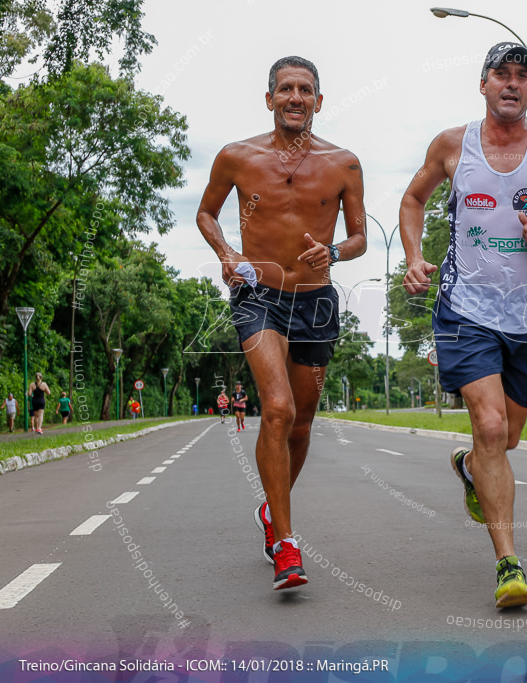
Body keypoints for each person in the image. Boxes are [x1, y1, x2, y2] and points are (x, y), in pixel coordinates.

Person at [399, 43, 527, 608]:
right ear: (483, 84)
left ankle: (469, 467)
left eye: (521, 76)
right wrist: (414, 257)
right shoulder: (451, 144)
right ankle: (508, 565)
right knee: (490, 429)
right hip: (466, 308)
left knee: (506, 438)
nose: (511, 84)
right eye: (500, 74)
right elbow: (413, 199)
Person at [197, 56, 366, 591]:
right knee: (277, 408)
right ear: (269, 99)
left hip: (315, 300)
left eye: (307, 89)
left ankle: (272, 510)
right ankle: (287, 547)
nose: (296, 97)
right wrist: (226, 251)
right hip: (258, 295)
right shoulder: (236, 157)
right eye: (286, 89)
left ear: (320, 100)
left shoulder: (344, 164)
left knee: (301, 424)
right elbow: (206, 212)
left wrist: (333, 253)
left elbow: (359, 236)